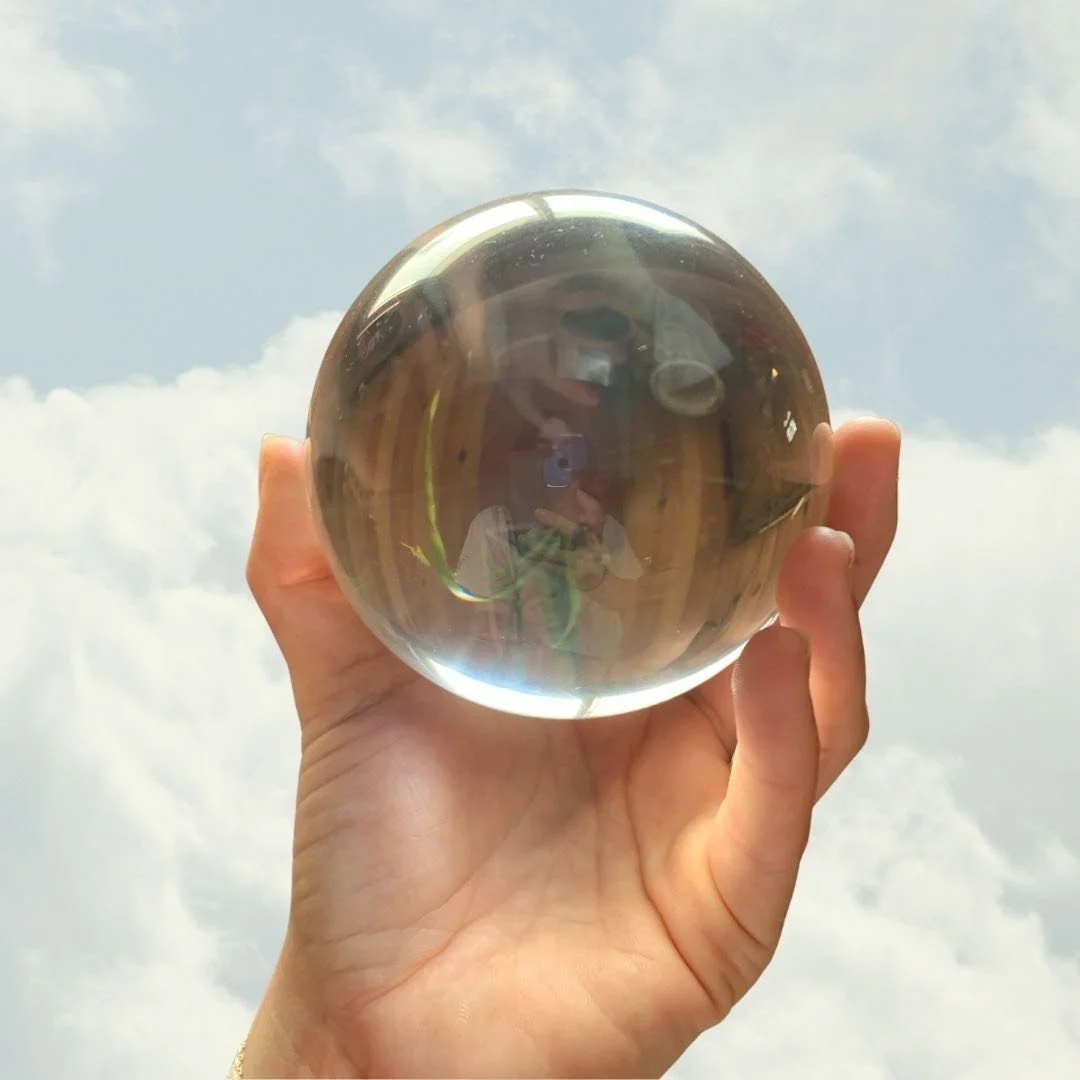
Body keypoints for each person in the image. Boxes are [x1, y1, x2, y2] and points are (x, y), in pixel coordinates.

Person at [233, 416, 901, 1079]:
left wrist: (590, 536)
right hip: (516, 667)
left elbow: (631, 567)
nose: (561, 471)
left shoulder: (593, 526)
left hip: (604, 657)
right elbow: (474, 581)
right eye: (547, 456)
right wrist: (338, 1048)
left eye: (573, 455)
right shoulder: (497, 530)